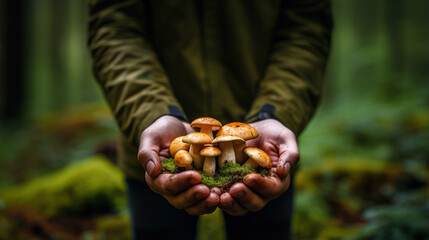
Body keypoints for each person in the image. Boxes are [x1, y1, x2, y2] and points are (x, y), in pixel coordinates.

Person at [88, 0, 332, 239]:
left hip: (263, 150)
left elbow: (306, 31)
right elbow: (114, 29)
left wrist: (273, 113)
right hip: (159, 152)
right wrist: (152, 114)